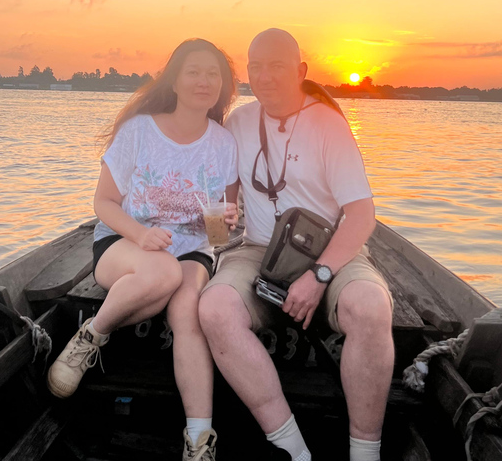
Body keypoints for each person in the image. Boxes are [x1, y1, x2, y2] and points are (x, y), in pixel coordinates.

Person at [198, 29, 393, 461]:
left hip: (329, 253)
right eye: (256, 67)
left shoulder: (328, 124)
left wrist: (320, 275)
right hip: (256, 249)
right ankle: (291, 448)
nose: (264, 76)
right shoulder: (238, 123)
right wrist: (217, 223)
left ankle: (365, 452)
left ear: (301, 71)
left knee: (371, 307)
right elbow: (222, 205)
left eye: (276, 66)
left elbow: (361, 216)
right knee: (213, 309)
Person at [47, 38, 239, 461]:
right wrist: (139, 234)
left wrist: (225, 225)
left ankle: (199, 440)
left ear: (223, 85)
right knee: (162, 274)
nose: (203, 81)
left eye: (213, 74)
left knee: (188, 308)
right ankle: (89, 338)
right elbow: (103, 203)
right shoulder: (140, 131)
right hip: (124, 243)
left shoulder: (224, 143)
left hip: (192, 250)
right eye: (194, 71)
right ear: (175, 79)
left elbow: (216, 227)